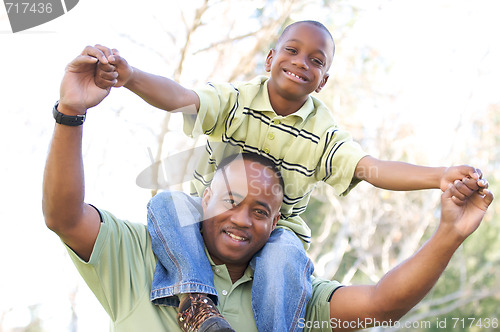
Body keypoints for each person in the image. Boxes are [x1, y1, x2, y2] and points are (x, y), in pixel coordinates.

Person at [42, 47, 493, 332]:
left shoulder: (286, 283)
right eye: (231, 201)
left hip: (283, 253)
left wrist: (446, 215)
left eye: (259, 210)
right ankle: (195, 300)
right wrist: (102, 93)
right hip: (181, 247)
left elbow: (380, 303)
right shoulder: (141, 255)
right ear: (270, 59)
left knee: (284, 253)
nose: (241, 218)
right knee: (165, 201)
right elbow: (64, 216)